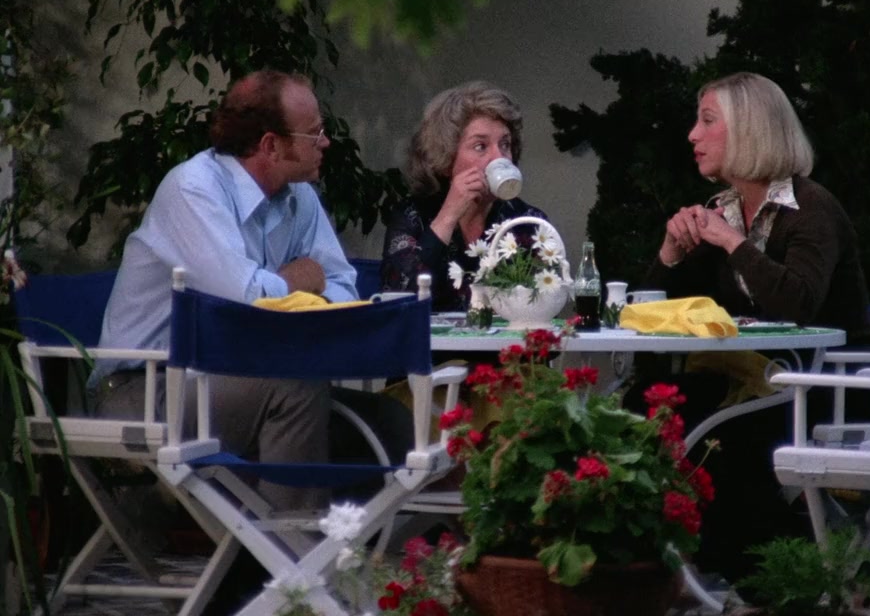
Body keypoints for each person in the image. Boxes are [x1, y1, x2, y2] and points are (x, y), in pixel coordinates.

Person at [90, 70, 412, 514]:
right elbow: (243, 303)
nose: (326, 142)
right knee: (295, 388)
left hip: (237, 380)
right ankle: (291, 551)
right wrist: (297, 281)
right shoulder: (193, 188)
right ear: (270, 145)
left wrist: (292, 292)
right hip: (144, 391)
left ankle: (346, 544)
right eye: (315, 132)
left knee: (388, 418)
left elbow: (341, 284)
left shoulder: (299, 196)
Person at [628, 71, 870, 582]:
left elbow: (798, 303)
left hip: (826, 387)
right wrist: (670, 253)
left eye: (707, 121)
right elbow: (659, 311)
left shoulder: (811, 209)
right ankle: (663, 569)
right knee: (646, 404)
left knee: (730, 436)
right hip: (759, 381)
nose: (693, 135)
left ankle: (770, 576)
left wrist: (731, 243)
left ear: (749, 130)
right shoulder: (724, 210)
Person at [381, 81, 548, 312]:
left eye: (505, 144)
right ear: (447, 158)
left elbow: (544, 307)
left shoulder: (528, 222)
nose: (499, 157)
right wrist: (448, 216)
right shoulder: (412, 216)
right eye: (480, 146)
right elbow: (397, 299)